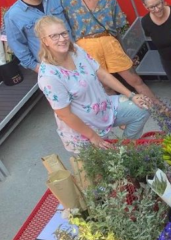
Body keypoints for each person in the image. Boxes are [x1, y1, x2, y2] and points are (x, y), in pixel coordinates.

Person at [35, 15, 151, 153]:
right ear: (45, 41)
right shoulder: (49, 76)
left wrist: (131, 95)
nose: (62, 39)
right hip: (84, 129)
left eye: (63, 33)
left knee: (143, 108)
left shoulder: (76, 51)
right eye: (54, 36)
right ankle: (119, 158)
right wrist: (93, 136)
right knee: (104, 171)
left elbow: (102, 73)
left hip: (104, 108)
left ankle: (125, 150)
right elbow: (64, 114)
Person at [61, 0, 155, 99]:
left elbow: (117, 29)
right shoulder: (67, 0)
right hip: (85, 47)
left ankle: (161, 111)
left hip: (109, 43)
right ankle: (120, 117)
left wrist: (124, 51)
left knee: (135, 80)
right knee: (105, 85)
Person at [4, 0, 72, 73]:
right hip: (50, 67)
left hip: (73, 55)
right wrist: (38, 68)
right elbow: (18, 46)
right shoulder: (13, 16)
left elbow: (72, 22)